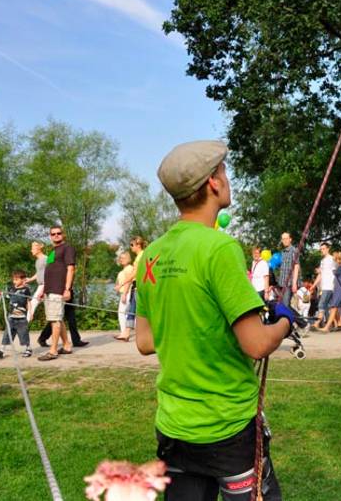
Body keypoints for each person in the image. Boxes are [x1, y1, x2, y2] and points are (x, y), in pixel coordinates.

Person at [136, 139, 293, 500]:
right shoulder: (220, 248)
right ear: (213, 183)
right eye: (223, 170)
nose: (226, 177)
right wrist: (284, 321)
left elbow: (145, 342)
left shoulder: (151, 256)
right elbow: (256, 344)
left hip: (174, 429)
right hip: (228, 428)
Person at [37, 226, 75, 361]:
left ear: (63, 234)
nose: (56, 235)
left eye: (59, 233)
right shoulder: (53, 251)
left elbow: (71, 269)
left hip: (58, 289)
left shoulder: (67, 248)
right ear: (50, 236)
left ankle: (53, 351)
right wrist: (44, 290)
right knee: (57, 318)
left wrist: (67, 289)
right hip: (49, 290)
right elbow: (50, 271)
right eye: (53, 234)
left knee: (55, 320)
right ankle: (66, 345)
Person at [0, 270, 33, 358]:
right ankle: (1, 351)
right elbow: (6, 296)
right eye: (14, 279)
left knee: (23, 334)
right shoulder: (11, 289)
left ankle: (28, 349)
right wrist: (0, 292)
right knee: (7, 333)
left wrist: (30, 313)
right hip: (11, 317)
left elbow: (28, 302)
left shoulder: (26, 290)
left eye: (16, 279)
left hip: (21, 317)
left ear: (23, 280)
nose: (14, 281)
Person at [309, 242, 335, 329]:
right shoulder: (322, 261)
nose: (322, 251)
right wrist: (314, 285)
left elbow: (337, 272)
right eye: (321, 249)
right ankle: (332, 324)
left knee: (321, 304)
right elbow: (320, 275)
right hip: (324, 286)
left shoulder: (332, 259)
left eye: (323, 249)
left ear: (328, 249)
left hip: (329, 286)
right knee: (329, 306)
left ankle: (317, 323)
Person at [113, 251, 135, 341]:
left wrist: (125, 294)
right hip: (123, 293)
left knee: (122, 313)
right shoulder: (124, 269)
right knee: (124, 313)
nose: (121, 260)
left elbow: (129, 282)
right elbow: (120, 282)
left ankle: (124, 333)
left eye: (123, 258)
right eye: (120, 258)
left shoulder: (129, 268)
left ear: (128, 259)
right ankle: (124, 332)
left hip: (128, 292)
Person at [277, 232, 300, 307]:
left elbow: (296, 267)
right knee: (282, 305)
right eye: (283, 239)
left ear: (290, 239)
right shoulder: (282, 252)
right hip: (281, 284)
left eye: (286, 238)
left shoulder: (294, 250)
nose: (285, 240)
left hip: (289, 284)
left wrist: (294, 284)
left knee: (286, 305)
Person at [25, 241, 46, 323]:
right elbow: (39, 273)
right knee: (34, 303)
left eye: (33, 248)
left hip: (45, 285)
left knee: (33, 303)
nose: (31, 250)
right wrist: (30, 279)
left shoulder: (46, 259)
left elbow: (50, 273)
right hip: (41, 285)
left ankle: (24, 324)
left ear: (39, 248)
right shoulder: (37, 261)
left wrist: (44, 289)